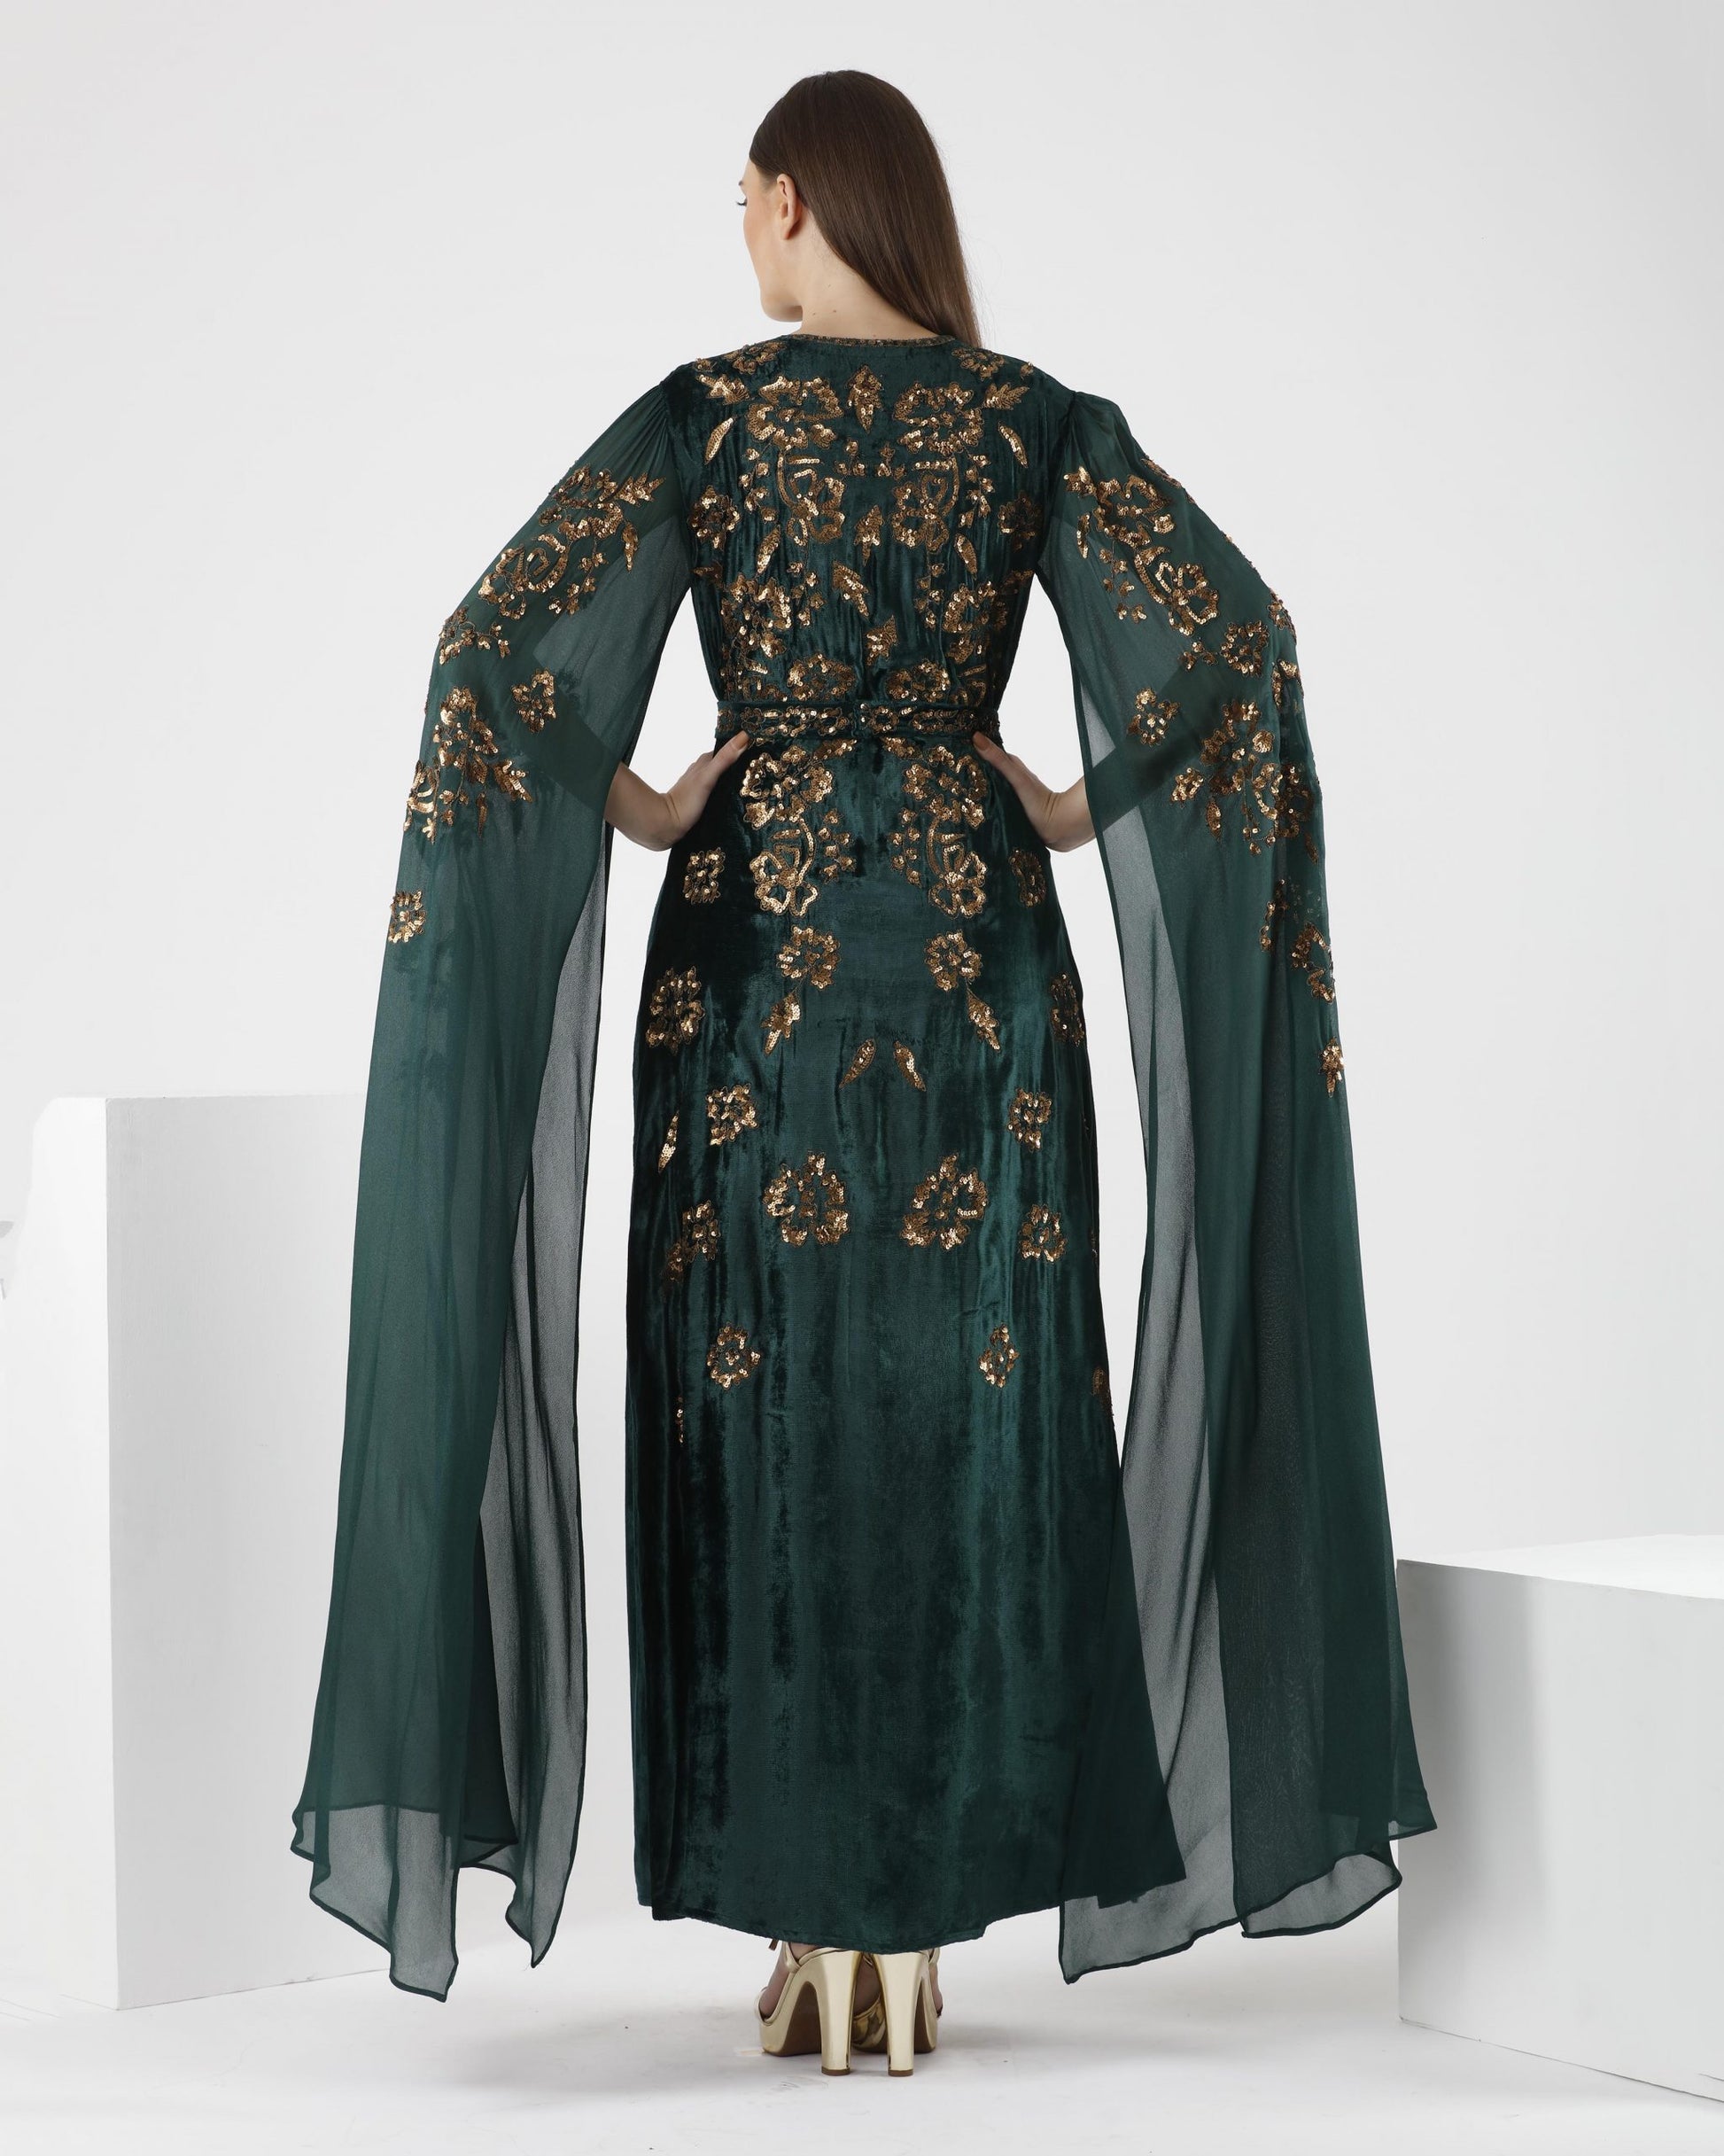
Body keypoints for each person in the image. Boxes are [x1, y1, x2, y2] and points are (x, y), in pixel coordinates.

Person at [291, 70, 1435, 2078]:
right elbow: (1238, 645)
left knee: (759, 1406)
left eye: (746, 197)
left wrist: (646, 802)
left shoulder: (706, 420)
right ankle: (903, 1918)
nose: (742, 232)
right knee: (970, 1416)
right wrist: (1074, 807)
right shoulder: (1033, 423)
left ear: (802, 200)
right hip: (984, 976)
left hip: (750, 974)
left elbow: (490, 652)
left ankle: (823, 1907)